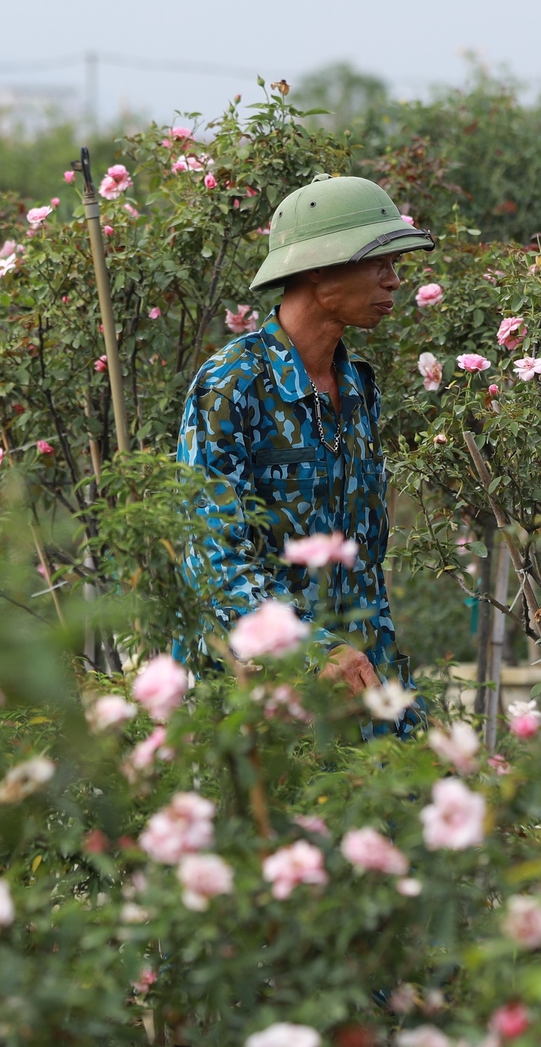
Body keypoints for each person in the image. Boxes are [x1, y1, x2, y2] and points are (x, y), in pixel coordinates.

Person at [176, 174, 432, 701]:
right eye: (379, 260)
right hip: (255, 706)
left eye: (396, 266)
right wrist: (315, 652)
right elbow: (212, 558)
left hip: (357, 690)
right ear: (319, 267)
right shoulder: (232, 384)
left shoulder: (358, 387)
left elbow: (364, 566)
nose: (393, 281)